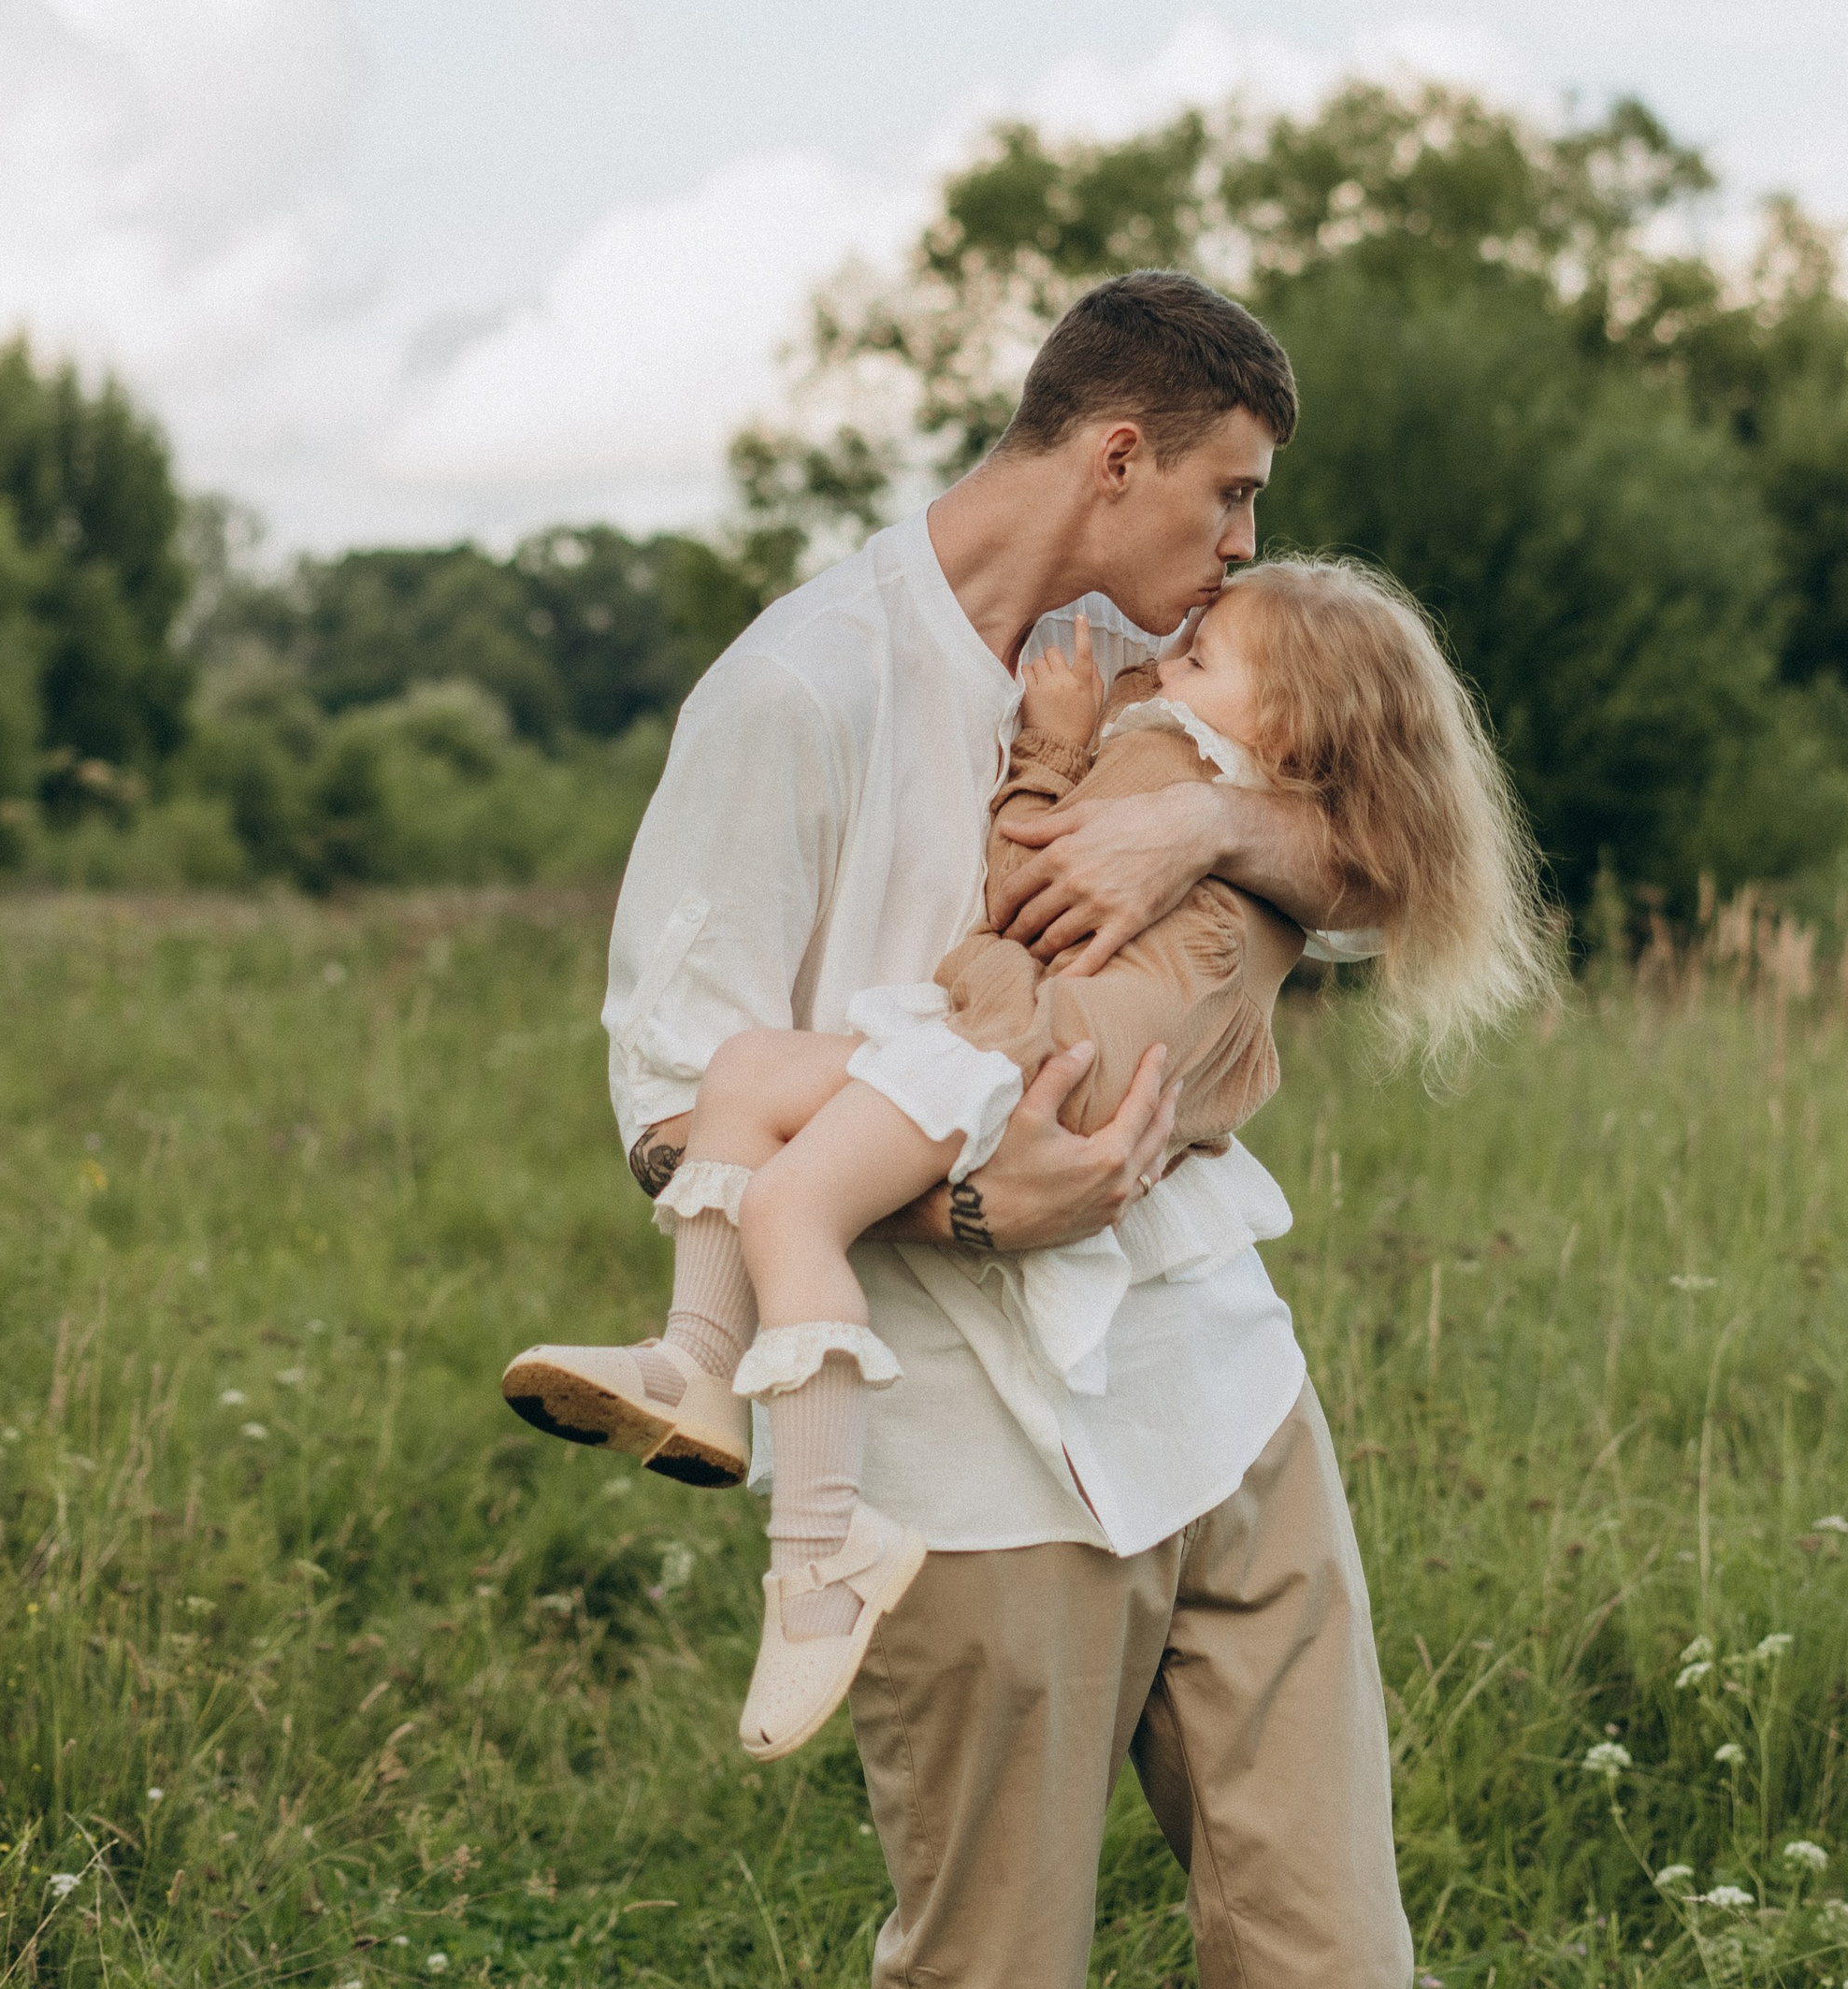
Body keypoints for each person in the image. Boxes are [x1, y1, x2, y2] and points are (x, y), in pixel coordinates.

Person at [577, 270, 1507, 1989]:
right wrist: (982, 1214)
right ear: (1113, 458)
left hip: (1220, 1401)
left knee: (1327, 1978)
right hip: (966, 1462)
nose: (1235, 551)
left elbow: (1383, 864)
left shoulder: (1176, 692)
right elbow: (669, 1094)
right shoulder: (798, 694)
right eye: (1222, 498)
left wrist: (1203, 836)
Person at [506, 556, 1546, 1769]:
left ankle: (824, 1555)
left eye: (1202, 663)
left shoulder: (1170, 755)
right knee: (741, 1076)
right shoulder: (1188, 745)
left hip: (1034, 1057)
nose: (1170, 658)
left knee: (793, 1203)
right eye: (1231, 490)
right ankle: (697, 1358)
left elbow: (1028, 882)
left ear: (1291, 724)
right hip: (1013, 1037)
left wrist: (1055, 753)